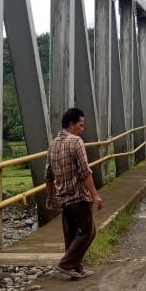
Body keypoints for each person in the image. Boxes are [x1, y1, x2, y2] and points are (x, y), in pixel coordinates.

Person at [45, 107, 104, 279]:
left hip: (63, 199)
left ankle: (76, 268)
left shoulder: (52, 145)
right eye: (81, 125)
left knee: (71, 235)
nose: (82, 129)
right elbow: (85, 171)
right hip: (79, 197)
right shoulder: (76, 141)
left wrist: (50, 197)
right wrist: (95, 195)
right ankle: (65, 264)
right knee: (88, 231)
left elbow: (48, 175)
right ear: (71, 124)